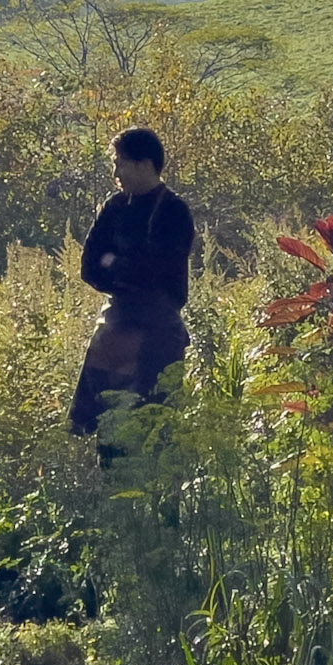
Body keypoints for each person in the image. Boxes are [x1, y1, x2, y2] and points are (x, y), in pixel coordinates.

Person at [69, 126, 195, 435]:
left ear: (144, 164)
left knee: (153, 420)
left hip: (159, 330)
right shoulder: (114, 208)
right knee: (99, 419)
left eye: (121, 163)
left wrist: (115, 263)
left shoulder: (174, 211)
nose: (116, 172)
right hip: (115, 322)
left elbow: (160, 269)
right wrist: (128, 268)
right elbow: (90, 267)